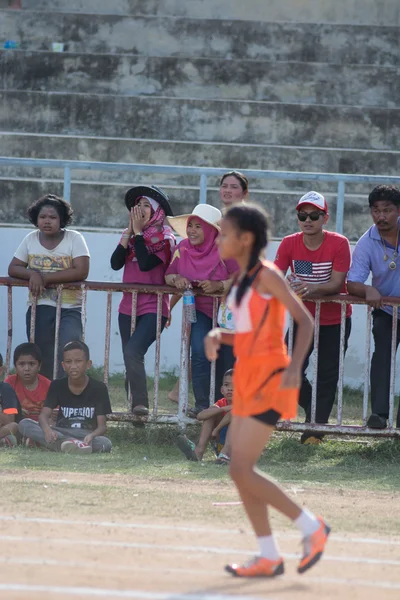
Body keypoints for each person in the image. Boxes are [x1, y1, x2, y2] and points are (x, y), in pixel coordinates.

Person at [205, 203, 330, 578]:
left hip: (269, 377)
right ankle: (268, 555)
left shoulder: (267, 274)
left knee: (241, 468)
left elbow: (304, 322)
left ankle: (312, 528)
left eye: (224, 233)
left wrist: (294, 369)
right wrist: (219, 334)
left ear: (245, 239)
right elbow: (250, 334)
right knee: (239, 471)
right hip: (248, 376)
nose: (218, 240)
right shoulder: (242, 279)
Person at [274, 191, 352, 444]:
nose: (308, 220)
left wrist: (309, 288)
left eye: (314, 215)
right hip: (302, 318)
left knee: (328, 374)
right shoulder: (288, 242)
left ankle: (315, 430)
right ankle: (313, 411)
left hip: (336, 320)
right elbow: (276, 276)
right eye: (302, 215)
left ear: (325, 218)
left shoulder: (339, 243)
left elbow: (337, 283)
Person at [165, 204, 237, 418]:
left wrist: (220, 285)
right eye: (190, 226)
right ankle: (202, 405)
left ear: (212, 230)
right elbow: (169, 274)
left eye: (198, 226)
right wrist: (176, 280)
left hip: (228, 316)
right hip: (200, 312)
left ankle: (222, 408)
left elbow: (240, 276)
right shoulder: (182, 248)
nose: (192, 231)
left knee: (225, 361)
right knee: (198, 353)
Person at [8, 194, 90, 379]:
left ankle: (66, 392)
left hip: (71, 308)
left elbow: (82, 270)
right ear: (36, 219)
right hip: (40, 306)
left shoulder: (74, 238)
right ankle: (45, 395)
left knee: (69, 348)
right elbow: (13, 267)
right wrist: (32, 274)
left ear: (62, 219)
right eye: (42, 217)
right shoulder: (30, 239)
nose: (47, 221)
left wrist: (44, 279)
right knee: (40, 351)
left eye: (52, 217)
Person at [110, 185, 175, 416]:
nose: (140, 209)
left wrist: (138, 234)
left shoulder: (165, 238)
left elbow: (147, 264)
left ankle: (140, 405)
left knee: (133, 352)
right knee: (131, 357)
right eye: (138, 204)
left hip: (154, 307)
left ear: (157, 212)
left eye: (147, 205)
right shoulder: (129, 234)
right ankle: (134, 409)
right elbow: (116, 263)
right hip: (128, 306)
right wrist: (129, 233)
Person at [347, 185, 400, 429]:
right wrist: (367, 289)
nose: (381, 216)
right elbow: (353, 282)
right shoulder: (366, 242)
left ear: (398, 211)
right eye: (376, 211)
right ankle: (379, 415)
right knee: (382, 358)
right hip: (387, 311)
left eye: (387, 210)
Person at [18, 341, 112, 454]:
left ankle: (58, 445)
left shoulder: (99, 388)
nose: (73, 366)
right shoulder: (57, 385)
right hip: (61, 432)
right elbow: (43, 416)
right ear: (63, 365)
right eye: (68, 362)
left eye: (78, 361)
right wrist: (48, 430)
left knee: (105, 443)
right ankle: (69, 444)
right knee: (24, 424)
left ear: (88, 364)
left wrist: (92, 435)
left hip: (85, 435)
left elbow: (102, 427)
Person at [176, 369, 234, 464]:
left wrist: (216, 429)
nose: (230, 389)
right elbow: (200, 416)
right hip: (221, 442)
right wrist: (223, 409)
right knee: (211, 414)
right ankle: (199, 452)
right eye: (227, 385)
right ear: (222, 390)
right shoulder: (221, 403)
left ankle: (226, 452)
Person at [5, 343, 51, 422]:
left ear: (39, 366)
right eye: (22, 364)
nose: (26, 368)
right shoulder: (9, 384)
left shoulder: (49, 386)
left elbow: (55, 413)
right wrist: (17, 412)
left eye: (31, 364)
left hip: (41, 426)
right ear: (15, 366)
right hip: (17, 425)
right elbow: (3, 409)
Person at [0, 353, 20, 447]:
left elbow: (9, 419)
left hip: (4, 428)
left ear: (0, 371)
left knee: (13, 426)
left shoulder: (6, 389)